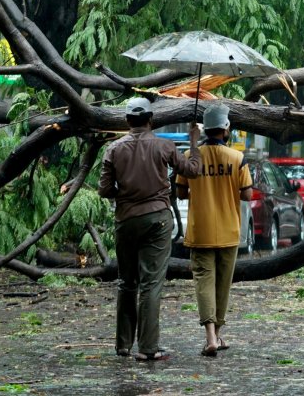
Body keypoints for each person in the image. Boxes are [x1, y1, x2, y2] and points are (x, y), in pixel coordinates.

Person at [98, 97, 202, 361]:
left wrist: (126, 192)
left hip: (125, 221)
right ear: (150, 119)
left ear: (127, 121)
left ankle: (123, 345)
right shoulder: (164, 146)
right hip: (157, 219)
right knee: (151, 284)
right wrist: (193, 142)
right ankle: (147, 348)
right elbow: (192, 170)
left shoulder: (113, 149)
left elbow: (104, 190)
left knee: (126, 282)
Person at [174, 104, 252, 357]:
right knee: (223, 285)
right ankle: (217, 334)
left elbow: (181, 192)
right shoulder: (237, 158)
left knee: (204, 283)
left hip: (201, 231)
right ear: (226, 128)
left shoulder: (190, 156)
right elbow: (247, 195)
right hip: (229, 230)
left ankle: (211, 336)